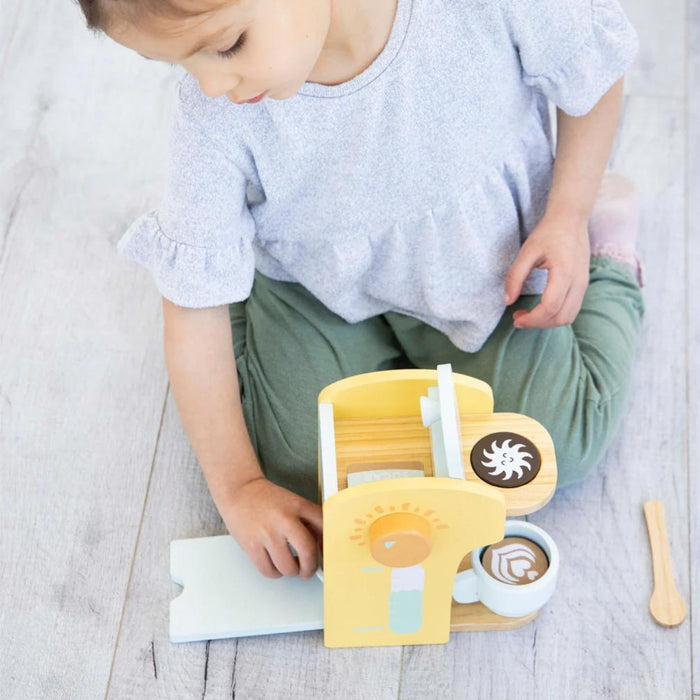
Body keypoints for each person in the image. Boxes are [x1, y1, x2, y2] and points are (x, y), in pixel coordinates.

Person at [77, 0, 644, 580]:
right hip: (315, 287)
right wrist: (240, 487)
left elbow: (593, 71)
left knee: (551, 449)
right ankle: (234, 278)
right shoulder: (215, 114)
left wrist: (570, 213)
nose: (214, 84)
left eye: (227, 45)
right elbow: (191, 310)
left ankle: (610, 254)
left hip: (488, 266)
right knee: (299, 472)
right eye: (181, 64)